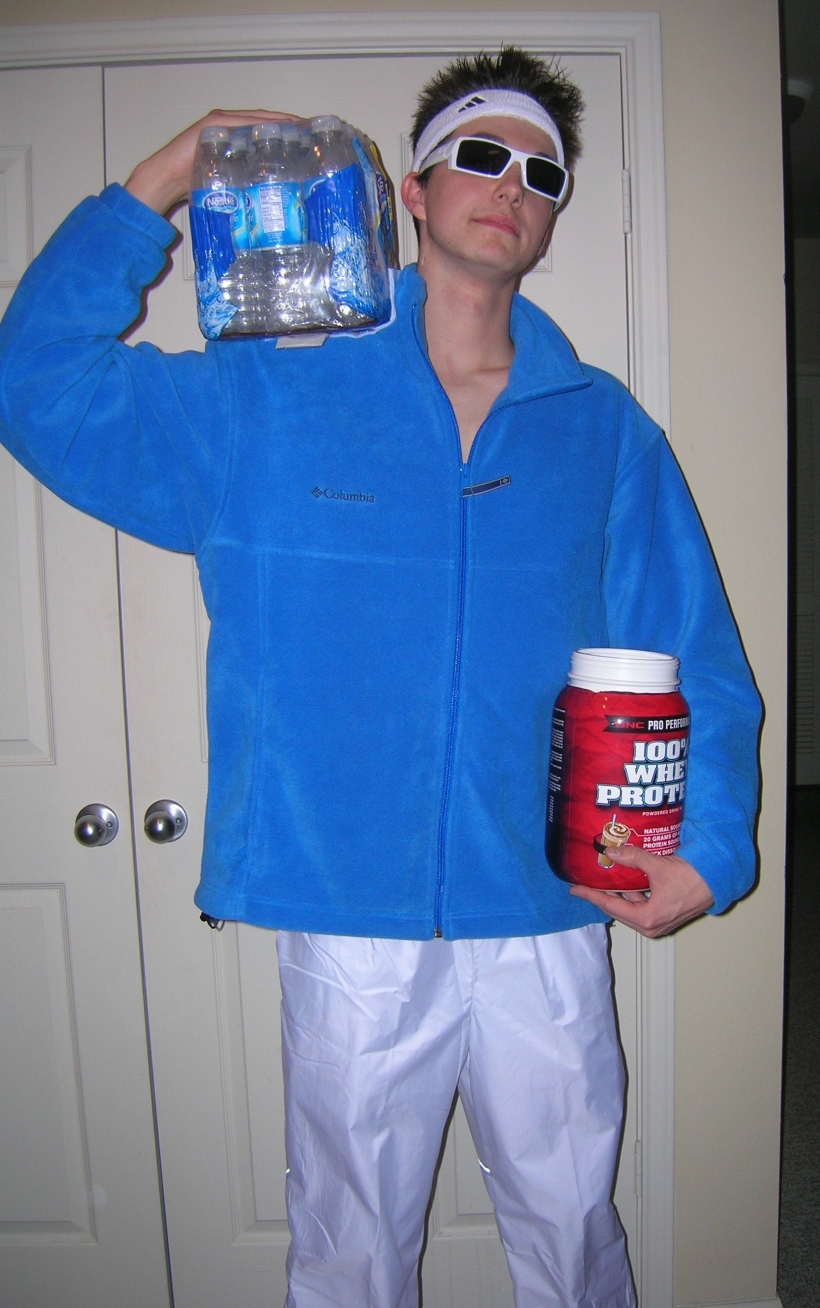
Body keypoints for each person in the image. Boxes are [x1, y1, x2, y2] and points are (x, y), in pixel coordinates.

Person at [0, 47, 759, 1308]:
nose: (512, 186)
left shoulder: (601, 427)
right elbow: (34, 380)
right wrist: (164, 181)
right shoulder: (269, 392)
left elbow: (694, 651)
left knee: (573, 1231)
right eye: (482, 153)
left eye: (544, 174)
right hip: (344, 906)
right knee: (348, 1250)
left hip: (547, 902)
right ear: (411, 190)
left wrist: (712, 845)